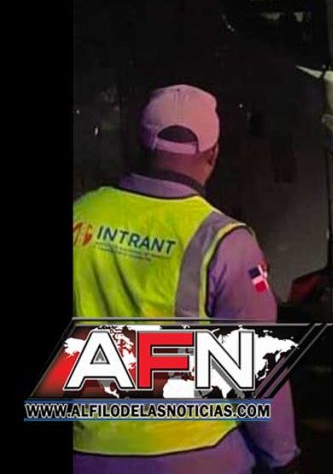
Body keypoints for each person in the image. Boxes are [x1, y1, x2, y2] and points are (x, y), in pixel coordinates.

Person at [72, 84, 299, 473]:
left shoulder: (82, 214)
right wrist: (281, 456)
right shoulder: (225, 241)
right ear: (213, 153)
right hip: (197, 453)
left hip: (89, 451)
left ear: (142, 144)